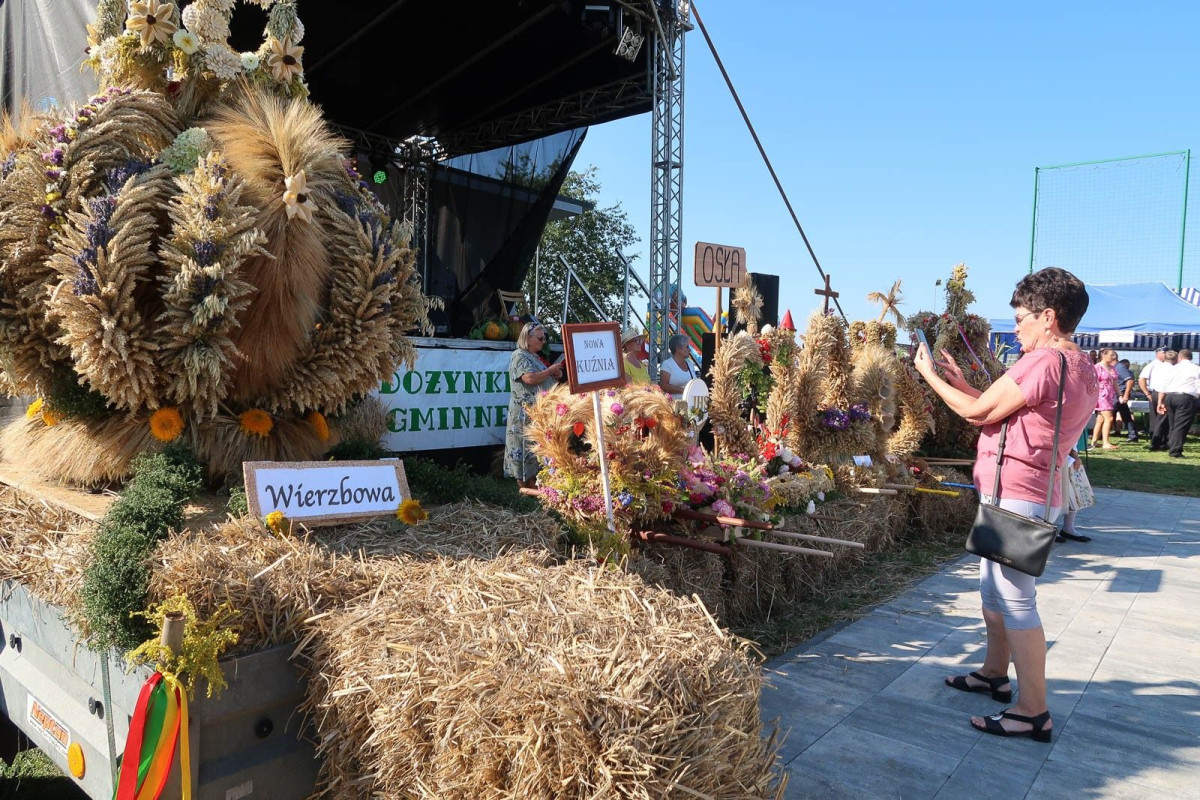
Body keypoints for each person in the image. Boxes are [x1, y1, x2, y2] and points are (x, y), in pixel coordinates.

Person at [913, 267, 1097, 743]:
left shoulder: (1041, 363)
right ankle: (994, 672)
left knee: (1015, 600)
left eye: (1021, 318)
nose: (1015, 327)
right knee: (993, 589)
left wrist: (930, 375)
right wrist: (969, 386)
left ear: (1048, 317)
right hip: (1023, 492)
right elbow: (1009, 413)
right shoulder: (1079, 366)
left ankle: (1033, 709)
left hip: (1019, 495)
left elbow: (977, 414)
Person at [504, 322, 564, 489]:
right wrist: (550, 371)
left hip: (536, 413)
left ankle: (532, 487)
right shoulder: (519, 356)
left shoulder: (535, 357)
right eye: (540, 338)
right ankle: (524, 489)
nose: (543, 341)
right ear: (528, 339)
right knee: (523, 450)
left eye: (544, 338)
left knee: (534, 451)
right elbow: (529, 378)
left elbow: (542, 379)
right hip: (524, 414)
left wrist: (556, 375)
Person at [1156, 348, 1200, 458]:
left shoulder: (1172, 369)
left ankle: (1171, 444)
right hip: (1185, 397)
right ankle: (1175, 451)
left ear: (1179, 357)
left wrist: (1160, 402)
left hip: (1170, 396)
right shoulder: (1196, 369)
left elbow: (1163, 386)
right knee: (1181, 425)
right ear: (1191, 357)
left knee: (1172, 424)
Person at [1148, 349, 1178, 450]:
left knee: (1159, 419)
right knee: (1163, 419)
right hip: (1164, 394)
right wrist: (1161, 401)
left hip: (1155, 392)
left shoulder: (1158, 367)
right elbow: (1164, 386)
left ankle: (1160, 442)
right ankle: (1156, 443)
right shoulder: (1173, 369)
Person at [1090, 349, 1120, 449]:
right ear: (1103, 355)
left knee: (1101, 419)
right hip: (1101, 395)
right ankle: (1106, 442)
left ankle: (1094, 442)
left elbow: (1114, 382)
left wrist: (1119, 394)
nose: (1114, 357)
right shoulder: (1097, 367)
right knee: (1109, 418)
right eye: (1111, 355)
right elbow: (1091, 382)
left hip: (1109, 395)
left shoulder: (1112, 368)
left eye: (1114, 355)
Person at [1138, 347, 1167, 444]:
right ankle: (1155, 438)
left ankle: (1163, 438)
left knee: (1164, 416)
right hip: (1156, 392)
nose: (1166, 354)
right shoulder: (1152, 365)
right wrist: (1147, 393)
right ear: (1157, 354)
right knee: (1155, 417)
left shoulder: (1168, 364)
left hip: (1166, 393)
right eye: (1164, 353)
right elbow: (1141, 379)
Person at [1112, 358, 1137, 442]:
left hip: (1119, 394)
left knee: (1107, 414)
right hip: (1118, 394)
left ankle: (1100, 436)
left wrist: (1125, 395)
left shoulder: (1119, 367)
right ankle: (1133, 434)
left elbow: (1130, 380)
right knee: (1125, 415)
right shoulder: (1116, 367)